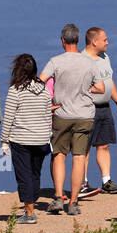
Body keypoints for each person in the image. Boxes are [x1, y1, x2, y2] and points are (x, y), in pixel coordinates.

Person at [39, 24, 98, 216]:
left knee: (59, 155)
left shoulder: (55, 61)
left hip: (62, 114)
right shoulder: (89, 62)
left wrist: (51, 102)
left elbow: (40, 81)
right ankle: (73, 202)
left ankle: (57, 197)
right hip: (84, 115)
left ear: (62, 41)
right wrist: (86, 89)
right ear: (78, 40)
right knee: (79, 157)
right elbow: (101, 87)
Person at [0, 53, 53, 224]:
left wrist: (4, 140)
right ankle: (31, 204)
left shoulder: (16, 90)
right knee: (35, 173)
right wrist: (48, 135)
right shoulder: (43, 90)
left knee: (24, 175)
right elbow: (47, 115)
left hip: (21, 139)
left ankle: (29, 214)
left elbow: (8, 117)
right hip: (42, 139)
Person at [83, 27, 117, 195]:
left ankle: (106, 181)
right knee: (84, 146)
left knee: (104, 144)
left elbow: (109, 81)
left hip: (105, 108)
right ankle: (83, 182)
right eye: (105, 40)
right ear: (94, 41)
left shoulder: (105, 57)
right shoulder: (83, 60)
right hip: (88, 108)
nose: (107, 42)